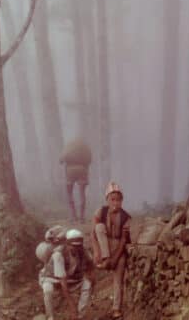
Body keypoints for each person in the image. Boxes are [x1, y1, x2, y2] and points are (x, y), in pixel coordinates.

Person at [92, 181, 132, 319]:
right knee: (99, 228)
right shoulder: (101, 212)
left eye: (118, 200)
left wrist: (115, 259)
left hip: (118, 247)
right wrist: (98, 252)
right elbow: (94, 233)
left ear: (122, 201)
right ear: (107, 200)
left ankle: (116, 308)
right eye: (112, 199)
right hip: (105, 245)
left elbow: (123, 240)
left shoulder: (126, 217)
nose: (115, 202)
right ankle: (104, 259)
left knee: (118, 279)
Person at [37, 226, 94, 320]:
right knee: (48, 290)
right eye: (74, 245)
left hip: (70, 278)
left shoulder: (83, 250)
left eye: (79, 245)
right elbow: (63, 284)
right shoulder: (58, 255)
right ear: (67, 244)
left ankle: (80, 316)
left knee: (87, 284)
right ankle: (50, 317)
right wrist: (72, 307)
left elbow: (91, 263)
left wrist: (92, 277)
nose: (76, 248)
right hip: (52, 278)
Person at [59, 137, 92, 220]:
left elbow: (61, 160)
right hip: (83, 170)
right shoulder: (85, 147)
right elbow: (89, 160)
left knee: (69, 193)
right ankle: (82, 216)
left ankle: (73, 216)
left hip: (70, 170)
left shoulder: (69, 147)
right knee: (82, 193)